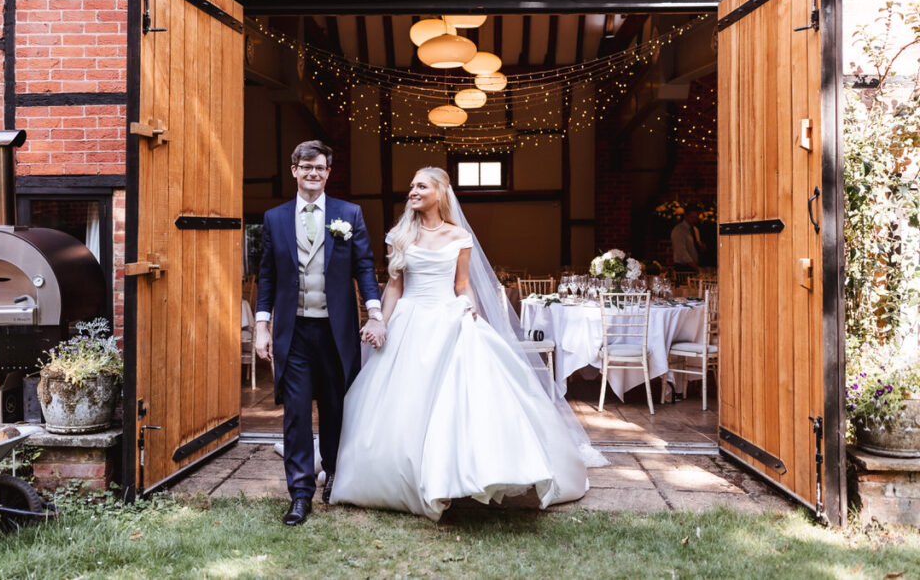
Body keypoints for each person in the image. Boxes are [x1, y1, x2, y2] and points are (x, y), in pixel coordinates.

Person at [330, 167, 607, 521]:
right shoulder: (398, 235)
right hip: (410, 321)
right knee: (405, 401)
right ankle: (407, 477)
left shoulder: (459, 236)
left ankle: (455, 476)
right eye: (411, 185)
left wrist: (470, 303)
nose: (412, 191)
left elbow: (462, 284)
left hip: (449, 319)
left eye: (421, 186)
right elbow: (395, 287)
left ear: (440, 192)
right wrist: (380, 321)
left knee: (457, 401)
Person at [255, 140, 386, 526]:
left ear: (328, 173)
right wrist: (262, 325)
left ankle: (334, 475)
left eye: (320, 168)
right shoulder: (275, 218)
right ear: (294, 170)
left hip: (335, 331)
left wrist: (375, 313)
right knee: (295, 413)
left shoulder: (350, 214)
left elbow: (364, 266)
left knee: (335, 407)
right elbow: (266, 275)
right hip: (293, 332)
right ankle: (299, 493)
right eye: (306, 167)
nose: (313, 173)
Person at [671, 208, 706, 275]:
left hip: (694, 265)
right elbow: (681, 252)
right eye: (692, 217)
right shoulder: (678, 230)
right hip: (683, 267)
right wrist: (694, 266)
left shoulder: (695, 230)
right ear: (686, 216)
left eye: (696, 218)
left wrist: (701, 246)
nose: (694, 220)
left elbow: (696, 245)